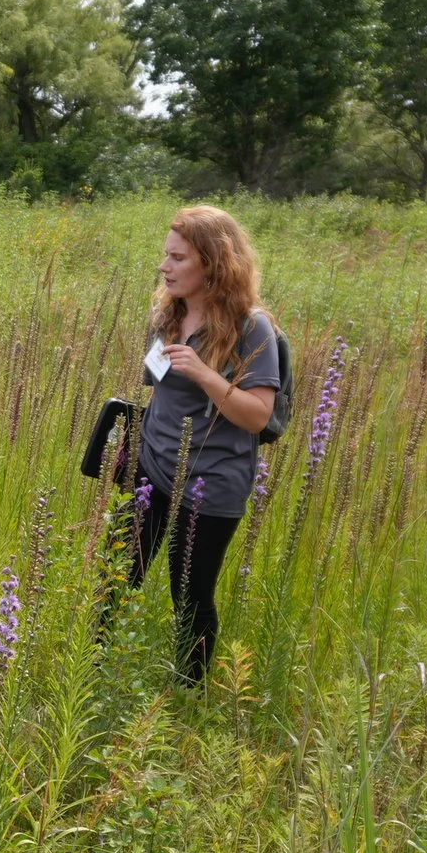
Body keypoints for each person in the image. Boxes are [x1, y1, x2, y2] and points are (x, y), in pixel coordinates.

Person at [127, 204, 282, 686]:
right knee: (114, 580)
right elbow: (156, 389)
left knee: (190, 594)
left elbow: (258, 416)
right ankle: (91, 670)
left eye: (177, 258)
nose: (164, 266)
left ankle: (188, 695)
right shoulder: (168, 315)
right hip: (151, 473)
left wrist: (205, 374)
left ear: (212, 264)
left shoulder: (251, 328)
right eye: (165, 256)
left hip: (209, 488)